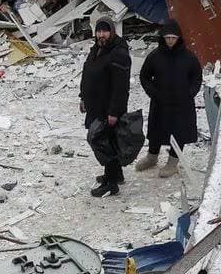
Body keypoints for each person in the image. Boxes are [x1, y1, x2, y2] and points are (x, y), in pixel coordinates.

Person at [135, 21, 202, 179]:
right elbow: (144, 76)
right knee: (156, 130)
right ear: (163, 38)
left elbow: (197, 78)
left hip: (182, 104)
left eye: (173, 37)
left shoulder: (189, 57)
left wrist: (189, 94)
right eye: (167, 38)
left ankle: (173, 162)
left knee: (179, 132)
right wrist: (153, 92)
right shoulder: (155, 56)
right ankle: (152, 157)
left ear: (178, 38)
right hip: (160, 102)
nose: (170, 41)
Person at [80, 18, 132, 198]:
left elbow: (121, 87)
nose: (101, 34)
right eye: (99, 31)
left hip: (108, 108)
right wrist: (83, 97)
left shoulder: (119, 53)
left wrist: (114, 112)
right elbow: (87, 74)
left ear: (112, 32)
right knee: (106, 141)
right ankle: (116, 175)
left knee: (104, 143)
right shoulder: (97, 49)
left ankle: (111, 184)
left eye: (105, 31)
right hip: (95, 105)